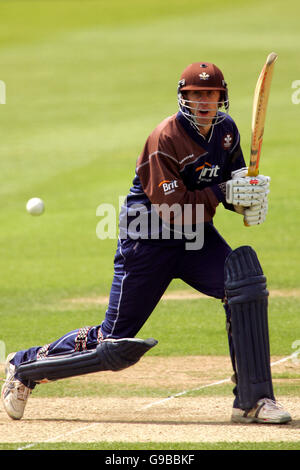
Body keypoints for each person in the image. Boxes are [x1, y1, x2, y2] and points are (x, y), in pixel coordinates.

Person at [1, 62, 291, 424]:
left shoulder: (226, 131)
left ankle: (254, 400)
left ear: (222, 97)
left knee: (244, 286)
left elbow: (227, 183)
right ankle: (24, 365)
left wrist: (246, 197)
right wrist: (223, 193)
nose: (203, 102)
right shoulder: (165, 138)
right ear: (183, 98)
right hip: (148, 241)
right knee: (113, 341)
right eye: (195, 95)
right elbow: (172, 209)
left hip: (195, 238)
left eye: (210, 94)